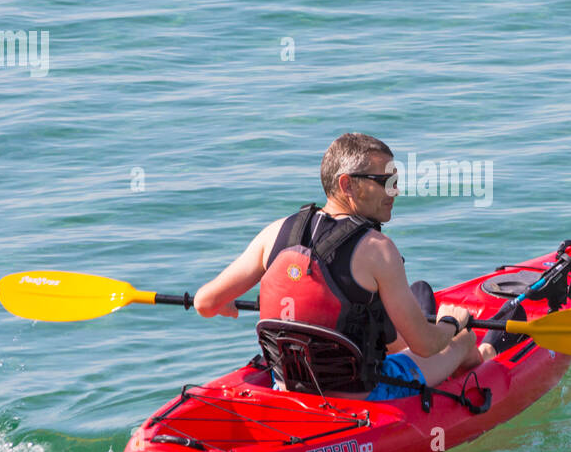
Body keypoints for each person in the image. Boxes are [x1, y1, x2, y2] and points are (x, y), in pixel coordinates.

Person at [194, 133, 494, 400]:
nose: (395, 192)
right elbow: (425, 346)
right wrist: (451, 323)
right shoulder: (378, 249)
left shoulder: (276, 231)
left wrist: (228, 304)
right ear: (346, 184)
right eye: (385, 182)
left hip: (287, 386)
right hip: (367, 392)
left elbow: (205, 303)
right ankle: (485, 358)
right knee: (462, 340)